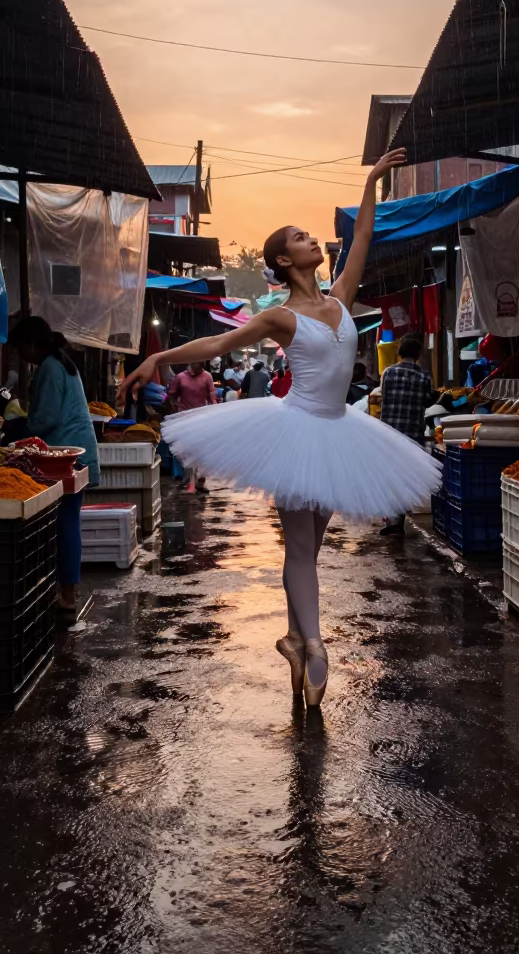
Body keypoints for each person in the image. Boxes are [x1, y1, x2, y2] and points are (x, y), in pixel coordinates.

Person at [121, 148, 441, 707]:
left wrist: (371, 184)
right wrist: (159, 358)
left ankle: (294, 637)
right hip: (296, 432)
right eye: (300, 237)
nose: (312, 239)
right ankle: (315, 646)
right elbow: (218, 344)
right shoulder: (278, 317)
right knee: (298, 549)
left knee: (309, 552)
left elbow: (363, 237)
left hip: (340, 432)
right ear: (284, 260)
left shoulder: (341, 299)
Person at [8, 317, 99, 613]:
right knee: (66, 522)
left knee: (65, 523)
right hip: (73, 450)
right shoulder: (63, 363)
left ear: (32, 345)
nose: (21, 356)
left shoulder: (50, 367)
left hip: (63, 455)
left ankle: (68, 595)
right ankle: (64, 591)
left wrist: (18, 427)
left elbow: (45, 419)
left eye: (21, 349)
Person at [378, 335, 434, 536]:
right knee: (405, 476)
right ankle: (398, 519)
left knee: (390, 475)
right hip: (412, 435)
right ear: (418, 355)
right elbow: (428, 402)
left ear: (400, 353)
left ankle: (391, 518)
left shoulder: (388, 373)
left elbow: (385, 397)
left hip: (389, 434)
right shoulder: (424, 377)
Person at [168, 361, 216, 492]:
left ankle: (201, 480)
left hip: (201, 418)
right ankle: (188, 478)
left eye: (202, 362)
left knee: (202, 450)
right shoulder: (180, 377)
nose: (201, 364)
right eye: (198, 362)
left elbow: (212, 395)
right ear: (191, 361)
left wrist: (215, 407)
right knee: (186, 449)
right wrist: (173, 405)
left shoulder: (207, 376)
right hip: (183, 418)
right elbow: (172, 394)